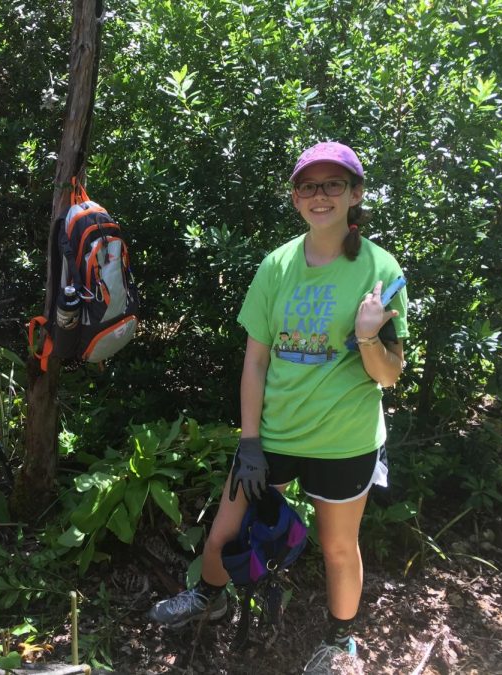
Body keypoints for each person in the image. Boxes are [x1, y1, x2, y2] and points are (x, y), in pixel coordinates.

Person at [149, 142, 408, 675]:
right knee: (223, 531)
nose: (320, 195)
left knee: (338, 547)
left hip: (346, 438)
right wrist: (249, 442)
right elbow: (256, 363)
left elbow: (389, 374)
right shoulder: (278, 265)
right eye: (308, 186)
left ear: (354, 194)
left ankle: (340, 642)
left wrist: (366, 337)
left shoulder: (380, 269)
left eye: (333, 184)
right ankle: (210, 596)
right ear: (295, 197)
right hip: (275, 433)